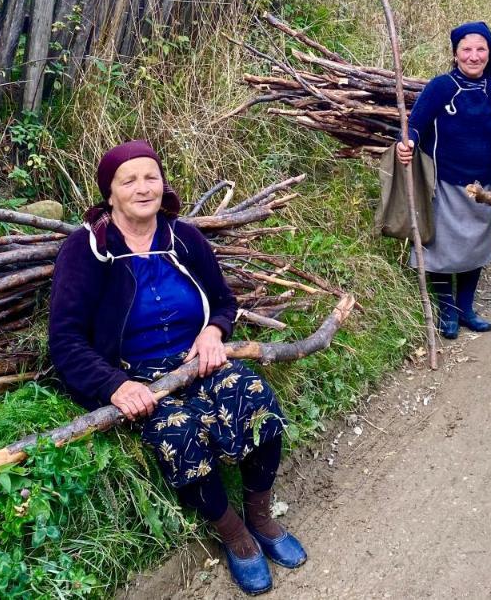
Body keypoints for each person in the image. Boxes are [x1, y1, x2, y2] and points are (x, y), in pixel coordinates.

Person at [49, 140, 304, 596]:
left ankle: (260, 516)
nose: (143, 188)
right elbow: (65, 340)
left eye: (151, 177)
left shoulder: (182, 237)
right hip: (137, 375)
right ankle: (234, 535)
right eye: (129, 180)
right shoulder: (87, 250)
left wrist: (213, 332)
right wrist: (115, 385)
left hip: (196, 361)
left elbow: (224, 301)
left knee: (256, 400)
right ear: (109, 193)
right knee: (178, 434)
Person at [395, 22, 491, 339]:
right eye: (467, 49)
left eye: (481, 49)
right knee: (441, 250)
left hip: (483, 187)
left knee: (473, 248)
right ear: (455, 54)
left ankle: (466, 309)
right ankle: (447, 310)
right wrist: (405, 143)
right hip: (445, 183)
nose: (474, 56)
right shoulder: (441, 87)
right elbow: (415, 126)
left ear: (489, 54)